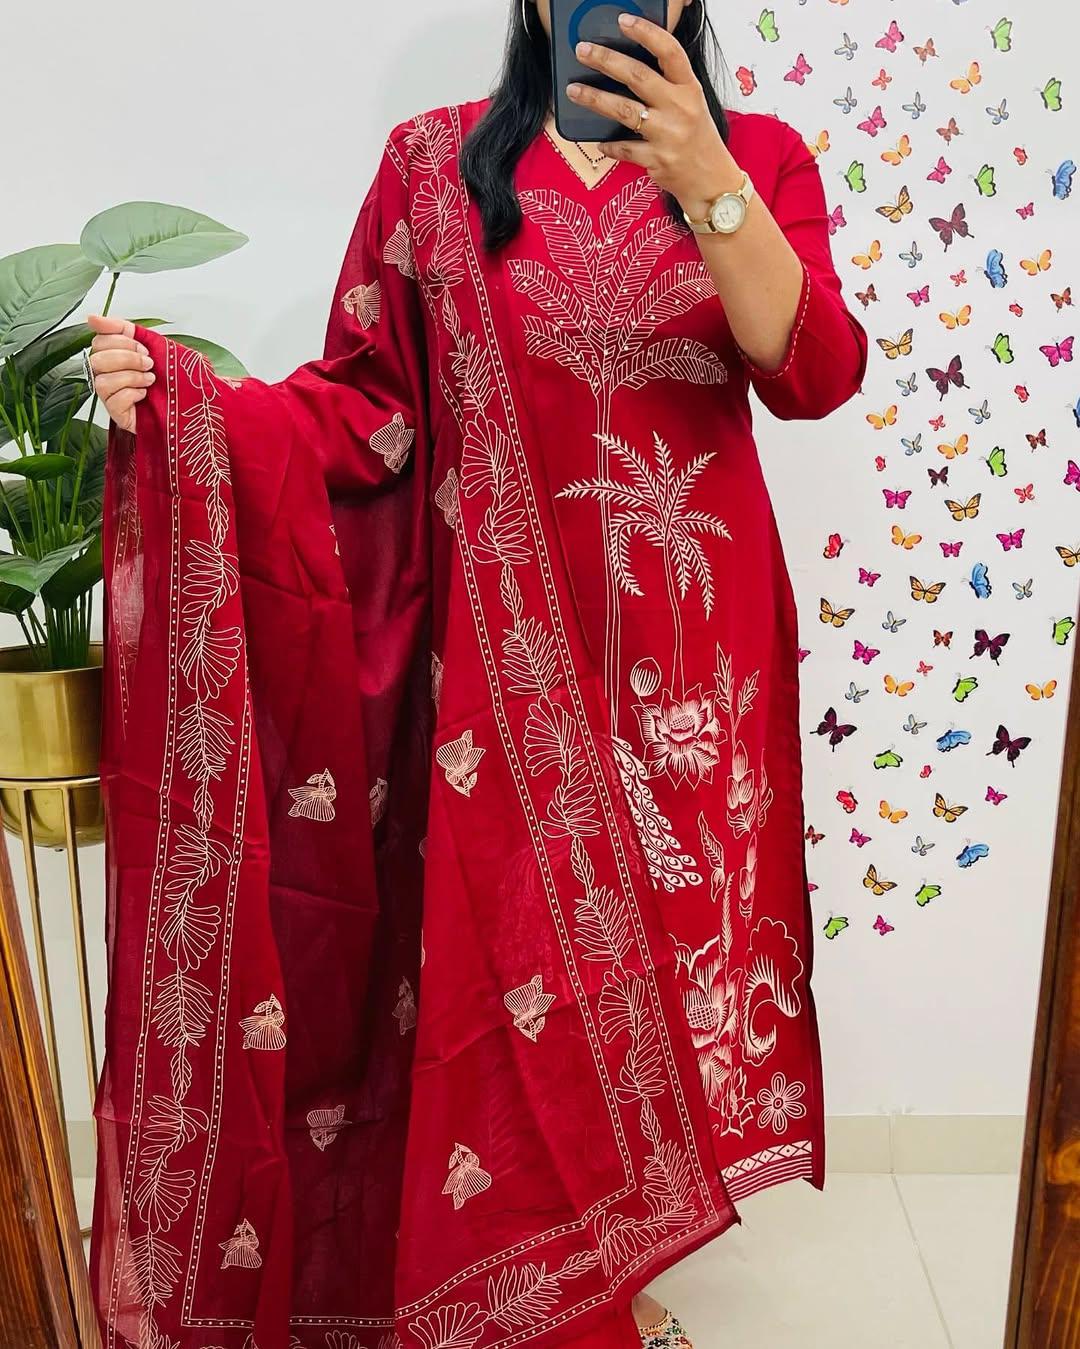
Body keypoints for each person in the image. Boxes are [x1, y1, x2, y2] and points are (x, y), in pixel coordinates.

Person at [87, 3, 867, 1347]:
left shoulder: (764, 158)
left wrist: (710, 182)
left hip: (698, 675)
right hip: (499, 678)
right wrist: (189, 402)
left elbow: (815, 371)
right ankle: (551, 1307)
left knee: (664, 985)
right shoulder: (434, 166)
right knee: (511, 993)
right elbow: (365, 408)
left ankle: (610, 1284)